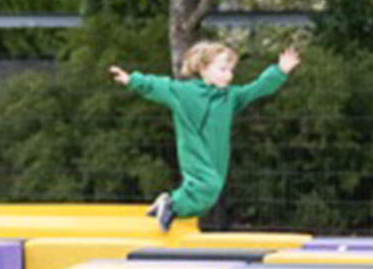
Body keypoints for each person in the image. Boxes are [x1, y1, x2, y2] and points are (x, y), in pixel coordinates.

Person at [110, 40, 303, 232]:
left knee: (206, 201)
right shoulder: (185, 93)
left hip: (217, 157)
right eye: (222, 69)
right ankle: (171, 205)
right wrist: (132, 80)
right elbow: (159, 86)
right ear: (203, 69)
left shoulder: (231, 97)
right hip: (194, 151)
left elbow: (256, 89)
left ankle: (170, 205)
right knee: (208, 185)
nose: (229, 75)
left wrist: (280, 71)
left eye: (230, 70)